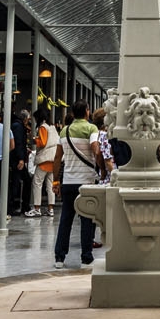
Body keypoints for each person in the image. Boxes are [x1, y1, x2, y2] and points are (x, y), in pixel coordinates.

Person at [53, 108, 101, 267]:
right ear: (87, 112)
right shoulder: (91, 128)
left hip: (68, 181)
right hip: (86, 182)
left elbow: (58, 157)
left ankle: (59, 257)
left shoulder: (64, 131)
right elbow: (95, 148)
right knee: (87, 220)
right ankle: (86, 258)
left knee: (65, 219)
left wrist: (55, 181)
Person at [27, 110, 57, 218]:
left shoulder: (43, 127)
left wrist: (34, 139)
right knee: (50, 185)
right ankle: (51, 209)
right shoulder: (52, 126)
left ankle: (37, 208)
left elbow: (43, 142)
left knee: (37, 183)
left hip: (45, 159)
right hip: (54, 159)